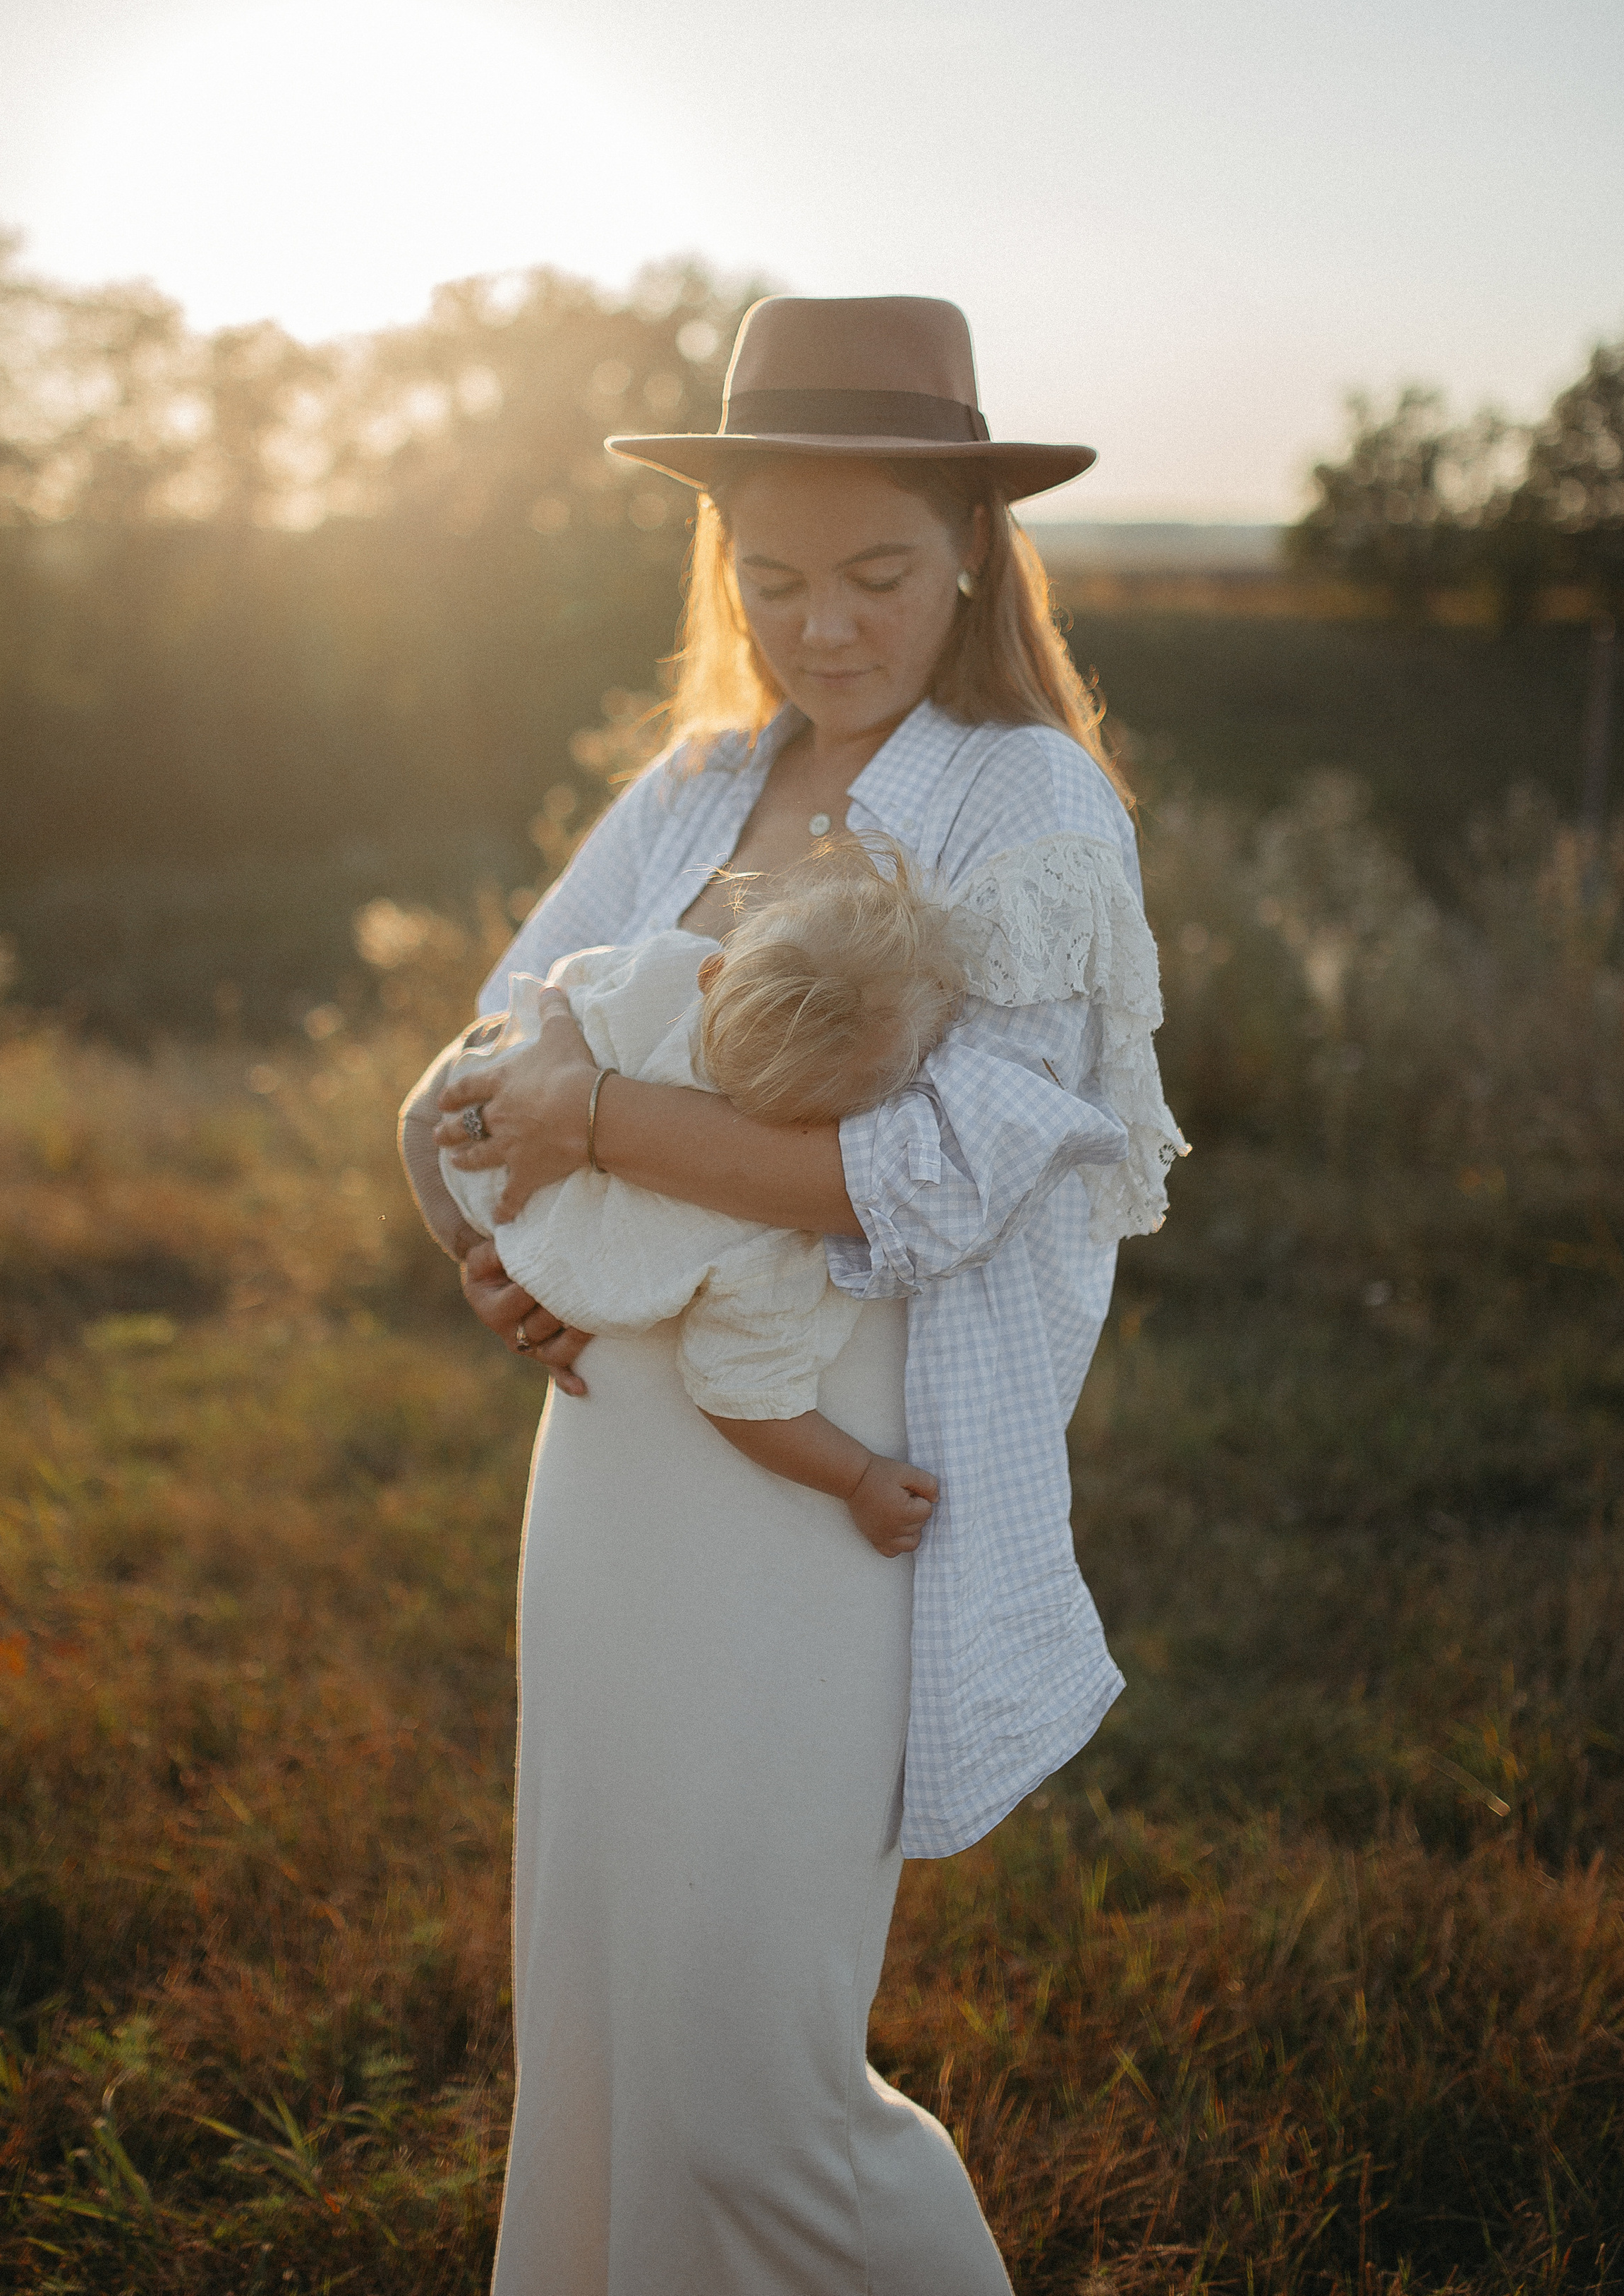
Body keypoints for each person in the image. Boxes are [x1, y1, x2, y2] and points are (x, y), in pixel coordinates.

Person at [419, 295, 1187, 2295]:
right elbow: (485, 1047)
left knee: (750, 2086)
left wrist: (597, 1121)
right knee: (604, 2015)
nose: (821, 626)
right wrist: (486, 1240)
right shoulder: (695, 782)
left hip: (826, 1467)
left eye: (873, 572)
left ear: (970, 553)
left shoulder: (1030, 805)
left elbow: (932, 1177)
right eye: (772, 578)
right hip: (610, 1463)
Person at [401, 844, 978, 1555]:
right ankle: (484, 1243)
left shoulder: (668, 977)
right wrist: (859, 1477)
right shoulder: (779, 1233)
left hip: (469, 1146)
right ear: (862, 1113)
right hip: (540, 1257)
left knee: (427, 1125)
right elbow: (742, 1395)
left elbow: (561, 985)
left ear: (716, 971)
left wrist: (554, 1016)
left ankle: (473, 1242)